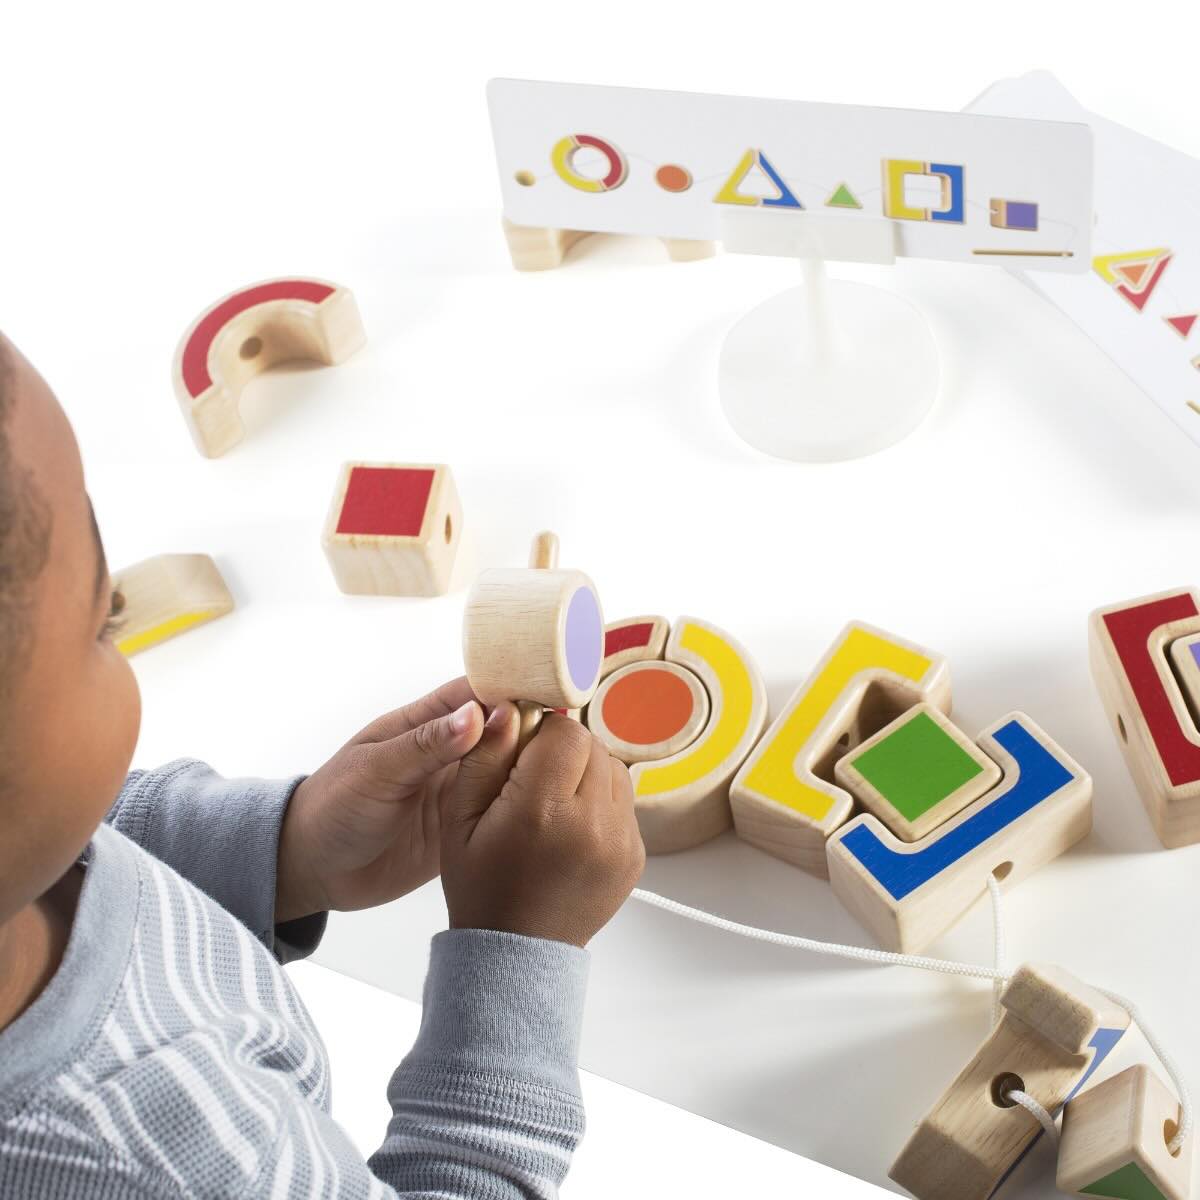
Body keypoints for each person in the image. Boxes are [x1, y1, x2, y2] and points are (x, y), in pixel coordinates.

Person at [0, 334, 646, 1198]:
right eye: (101, 621)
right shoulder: (148, 1155)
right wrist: (516, 952)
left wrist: (284, 849)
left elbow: (82, 841)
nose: (117, 622)